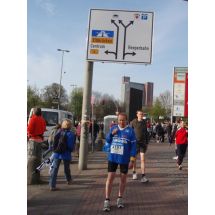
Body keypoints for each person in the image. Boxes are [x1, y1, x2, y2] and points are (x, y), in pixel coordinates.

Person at [103, 113, 136, 212]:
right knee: (110, 178)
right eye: (120, 120)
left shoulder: (130, 131)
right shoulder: (113, 128)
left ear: (126, 120)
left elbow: (133, 147)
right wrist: (111, 134)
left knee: (123, 179)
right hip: (113, 157)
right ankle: (107, 200)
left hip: (124, 159)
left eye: (123, 120)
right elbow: (108, 140)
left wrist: (132, 160)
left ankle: (120, 198)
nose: (121, 122)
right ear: (117, 120)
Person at [49, 119, 76, 191]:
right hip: (66, 153)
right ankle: (68, 180)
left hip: (57, 153)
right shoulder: (71, 134)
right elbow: (70, 146)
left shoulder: (58, 131)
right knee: (66, 168)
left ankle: (52, 185)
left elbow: (54, 142)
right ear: (70, 126)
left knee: (54, 169)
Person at [130, 110, 149, 182]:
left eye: (142, 114)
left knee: (143, 160)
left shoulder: (144, 122)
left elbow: (146, 132)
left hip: (143, 144)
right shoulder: (133, 122)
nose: (141, 115)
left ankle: (143, 176)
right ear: (137, 115)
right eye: (140, 114)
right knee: (134, 159)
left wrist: (147, 142)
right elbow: (130, 131)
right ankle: (134, 172)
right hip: (135, 143)